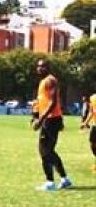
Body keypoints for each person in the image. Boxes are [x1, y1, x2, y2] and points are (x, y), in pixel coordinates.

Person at [32, 59, 72, 191]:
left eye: (43, 66)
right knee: (48, 151)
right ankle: (65, 179)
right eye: (38, 66)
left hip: (51, 119)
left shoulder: (50, 80)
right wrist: (35, 116)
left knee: (44, 151)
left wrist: (41, 119)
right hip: (49, 119)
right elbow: (41, 102)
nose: (40, 68)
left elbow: (53, 102)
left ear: (48, 67)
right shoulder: (42, 82)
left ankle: (50, 182)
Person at [79, 92, 96, 173]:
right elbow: (91, 112)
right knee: (92, 145)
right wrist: (85, 123)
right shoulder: (93, 98)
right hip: (95, 125)